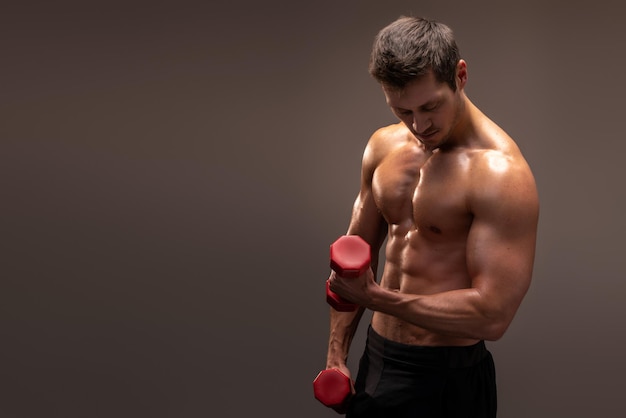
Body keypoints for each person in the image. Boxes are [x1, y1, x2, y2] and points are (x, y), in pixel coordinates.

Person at [324, 15, 539, 418]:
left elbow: (492, 315)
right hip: (378, 362)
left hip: (448, 381)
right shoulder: (383, 147)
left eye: (430, 106)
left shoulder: (500, 174)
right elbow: (351, 264)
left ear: (460, 75)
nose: (419, 125)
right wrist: (336, 354)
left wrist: (376, 299)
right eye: (402, 110)